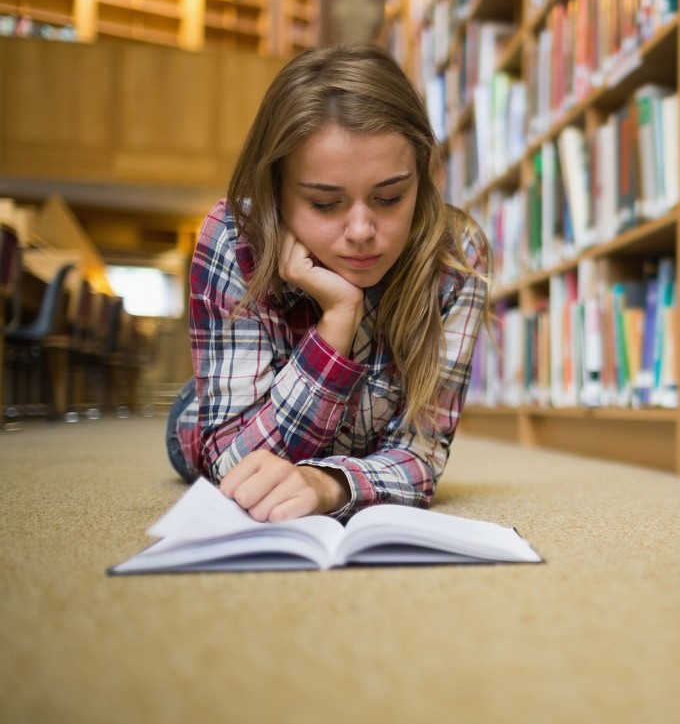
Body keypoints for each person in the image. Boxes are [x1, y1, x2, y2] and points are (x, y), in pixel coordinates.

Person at [165, 43, 489, 523]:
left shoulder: (457, 259)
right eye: (324, 204)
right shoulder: (234, 237)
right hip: (215, 412)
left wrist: (328, 484)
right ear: (275, 189)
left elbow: (419, 459)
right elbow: (232, 468)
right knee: (186, 436)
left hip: (335, 435)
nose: (361, 231)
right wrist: (338, 320)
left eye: (390, 197)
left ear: (422, 178)